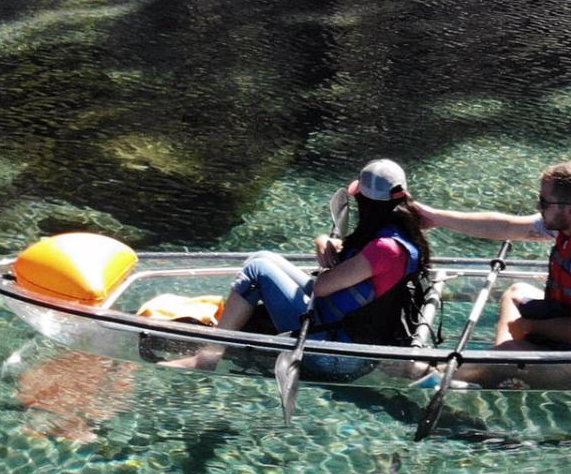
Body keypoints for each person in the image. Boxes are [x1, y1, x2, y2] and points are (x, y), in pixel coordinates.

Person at [177, 159, 433, 378]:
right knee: (262, 256)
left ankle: (207, 357)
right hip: (346, 341)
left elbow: (322, 287)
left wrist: (333, 263)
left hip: (338, 356)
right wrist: (323, 241)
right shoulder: (404, 233)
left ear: (365, 202)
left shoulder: (385, 249)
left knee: (257, 268)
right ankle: (229, 331)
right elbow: (361, 263)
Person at [413, 160, 571, 388]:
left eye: (543, 202)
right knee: (517, 293)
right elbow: (506, 226)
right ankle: (500, 368)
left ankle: (440, 373)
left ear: (570, 210)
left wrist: (529, 325)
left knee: (511, 350)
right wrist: (436, 218)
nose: (538, 207)